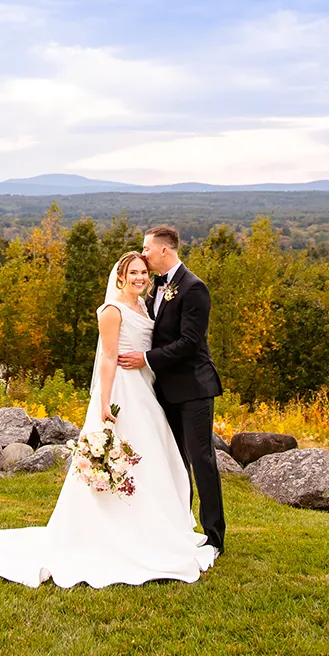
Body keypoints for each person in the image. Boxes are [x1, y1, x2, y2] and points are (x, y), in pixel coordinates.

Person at [0, 251, 217, 588]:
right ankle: (106, 533)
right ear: (119, 277)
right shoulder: (111, 310)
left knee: (154, 462)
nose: (140, 278)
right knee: (122, 459)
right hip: (121, 395)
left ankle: (152, 529)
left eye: (143, 273)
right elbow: (108, 357)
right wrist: (105, 402)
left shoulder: (144, 306)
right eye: (132, 273)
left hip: (146, 393)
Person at [118, 225, 225, 552]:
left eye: (147, 248)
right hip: (164, 391)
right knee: (175, 462)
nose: (144, 253)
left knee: (201, 459)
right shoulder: (155, 288)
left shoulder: (194, 288)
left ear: (164, 250)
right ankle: (180, 526)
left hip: (194, 389)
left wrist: (145, 359)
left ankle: (214, 537)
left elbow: (190, 344)